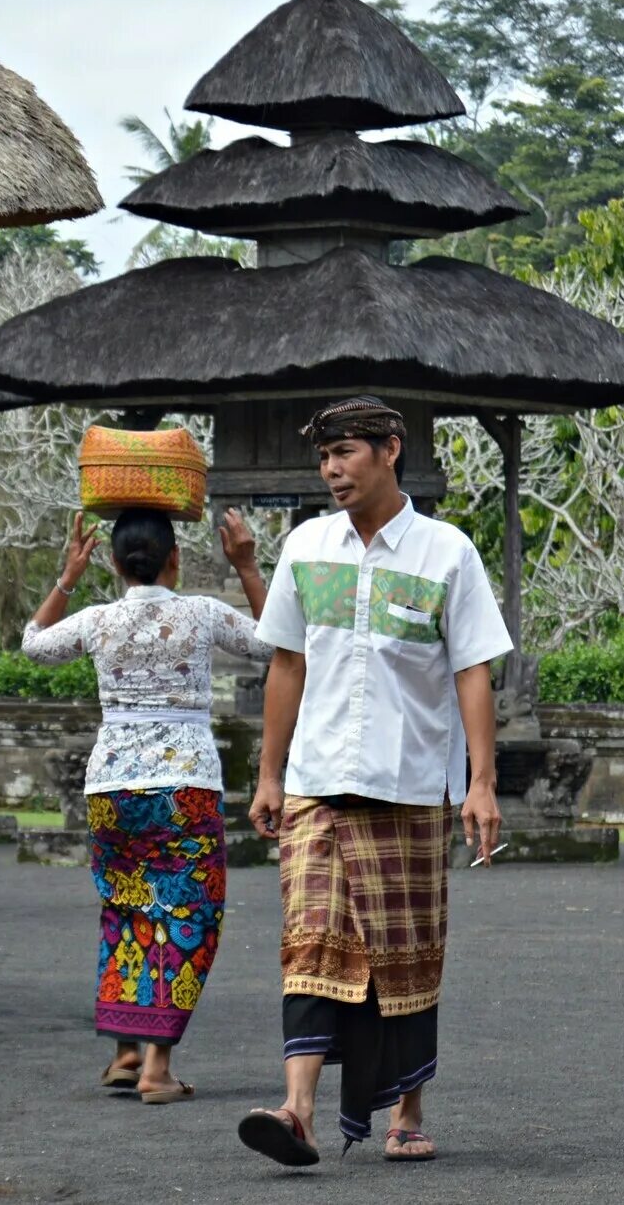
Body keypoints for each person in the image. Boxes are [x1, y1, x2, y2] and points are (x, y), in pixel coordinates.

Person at [235, 396, 509, 1169]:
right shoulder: (306, 547)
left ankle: (407, 1112)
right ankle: (296, 1110)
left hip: (412, 783)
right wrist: (269, 772)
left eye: (346, 452)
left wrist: (480, 783)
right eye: (324, 457)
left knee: (405, 954)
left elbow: (473, 669)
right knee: (310, 942)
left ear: (391, 450)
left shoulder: (447, 553)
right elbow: (287, 662)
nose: (331, 469)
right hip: (317, 784)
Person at [21, 504, 270, 1104]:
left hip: (112, 788)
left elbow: (32, 645)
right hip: (183, 785)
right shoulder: (202, 614)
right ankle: (157, 1067)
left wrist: (67, 578)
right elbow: (275, 642)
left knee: (126, 910)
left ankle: (126, 1053)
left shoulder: (97, 620)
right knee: (186, 914)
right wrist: (246, 566)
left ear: (113, 561)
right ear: (175, 560)